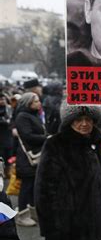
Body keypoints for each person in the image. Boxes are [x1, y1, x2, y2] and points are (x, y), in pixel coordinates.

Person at [35, 105, 101, 240]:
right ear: (69, 121)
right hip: (68, 230)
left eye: (88, 119)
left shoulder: (97, 141)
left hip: (95, 227)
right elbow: (44, 190)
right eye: (78, 119)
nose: (84, 123)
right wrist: (52, 228)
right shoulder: (56, 144)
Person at [14, 92, 47, 227]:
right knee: (26, 187)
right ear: (28, 103)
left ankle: (33, 214)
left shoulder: (33, 115)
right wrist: (47, 138)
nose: (39, 103)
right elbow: (27, 135)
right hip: (27, 157)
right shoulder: (23, 116)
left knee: (34, 185)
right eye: (36, 102)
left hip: (35, 155)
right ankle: (22, 215)